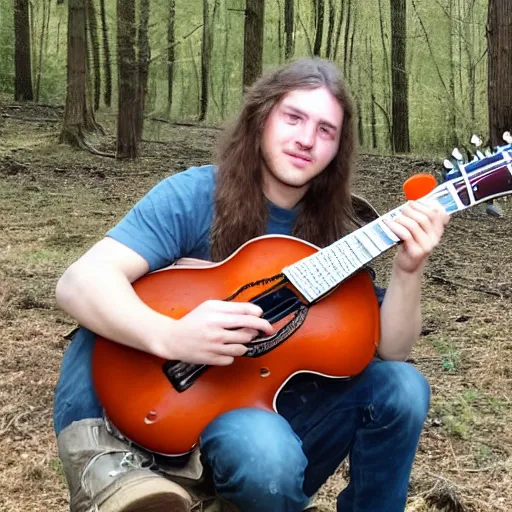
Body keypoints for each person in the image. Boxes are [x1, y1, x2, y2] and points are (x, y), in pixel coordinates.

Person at [53, 57, 450, 512]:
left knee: (402, 387)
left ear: (338, 148)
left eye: (326, 130)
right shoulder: (194, 195)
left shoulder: (342, 233)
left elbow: (393, 350)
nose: (306, 139)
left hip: (267, 409)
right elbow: (79, 282)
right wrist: (172, 335)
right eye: (294, 117)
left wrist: (409, 268)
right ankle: (116, 474)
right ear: (261, 117)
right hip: (176, 402)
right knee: (262, 449)